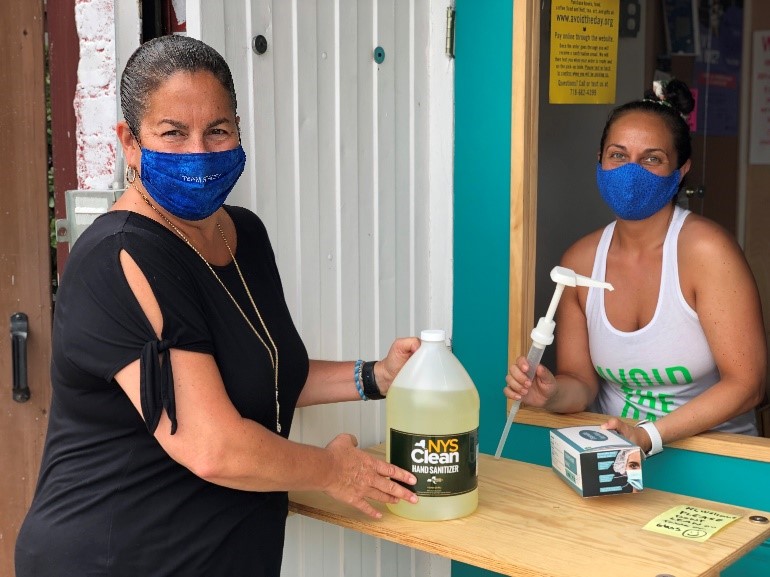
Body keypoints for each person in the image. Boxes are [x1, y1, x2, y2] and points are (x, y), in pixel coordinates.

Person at [15, 35, 419, 577]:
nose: (199, 154)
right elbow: (212, 447)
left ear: (238, 130)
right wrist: (332, 470)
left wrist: (376, 377)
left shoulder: (242, 234)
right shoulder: (120, 257)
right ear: (130, 143)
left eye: (217, 131)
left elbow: (262, 373)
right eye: (173, 133)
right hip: (116, 556)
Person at [505, 79, 767, 457]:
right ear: (599, 160)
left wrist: (647, 436)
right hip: (615, 456)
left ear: (681, 170)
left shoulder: (708, 253)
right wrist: (550, 393)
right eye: (618, 155)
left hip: (716, 457)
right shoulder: (579, 262)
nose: (631, 172)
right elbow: (581, 381)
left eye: (652, 158)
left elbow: (748, 385)